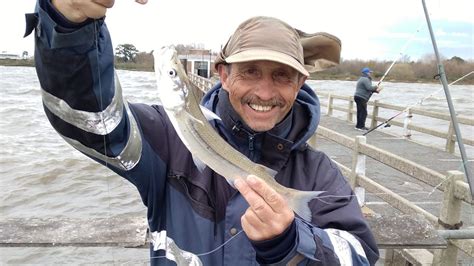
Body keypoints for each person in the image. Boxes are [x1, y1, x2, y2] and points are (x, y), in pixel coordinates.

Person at [26, 0, 379, 265]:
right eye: (251, 71)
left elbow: (361, 254)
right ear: (223, 75)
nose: (266, 93)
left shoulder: (319, 172)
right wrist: (68, 23)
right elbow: (87, 118)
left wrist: (291, 241)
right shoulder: (166, 136)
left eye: (282, 76)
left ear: (300, 83)